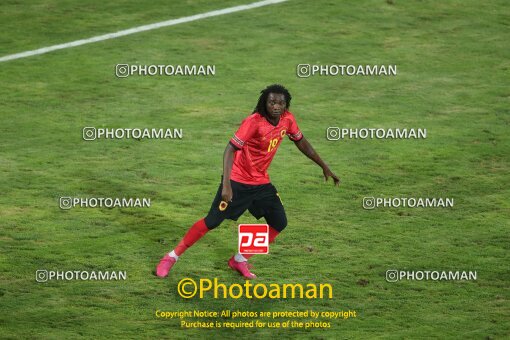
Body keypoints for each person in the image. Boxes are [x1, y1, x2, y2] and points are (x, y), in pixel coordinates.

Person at [156, 84, 339, 279]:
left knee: (279, 222)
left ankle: (239, 259)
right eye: (272, 102)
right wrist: (226, 185)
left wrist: (323, 165)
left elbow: (301, 141)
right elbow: (229, 150)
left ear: (286, 105)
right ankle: (171, 257)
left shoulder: (287, 120)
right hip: (238, 181)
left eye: (281, 103)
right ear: (264, 103)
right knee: (212, 221)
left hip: (261, 182)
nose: (276, 106)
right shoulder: (253, 122)